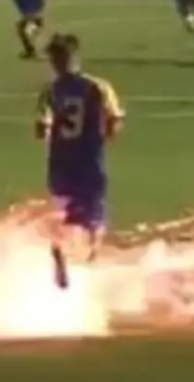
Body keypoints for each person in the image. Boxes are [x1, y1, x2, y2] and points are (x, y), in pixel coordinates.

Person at [35, 33, 125, 289]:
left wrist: (53, 135)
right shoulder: (97, 87)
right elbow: (115, 120)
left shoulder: (51, 91)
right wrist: (105, 134)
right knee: (94, 219)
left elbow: (41, 129)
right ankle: (88, 260)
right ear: (75, 57)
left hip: (59, 165)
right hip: (89, 162)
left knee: (64, 212)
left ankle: (60, 248)